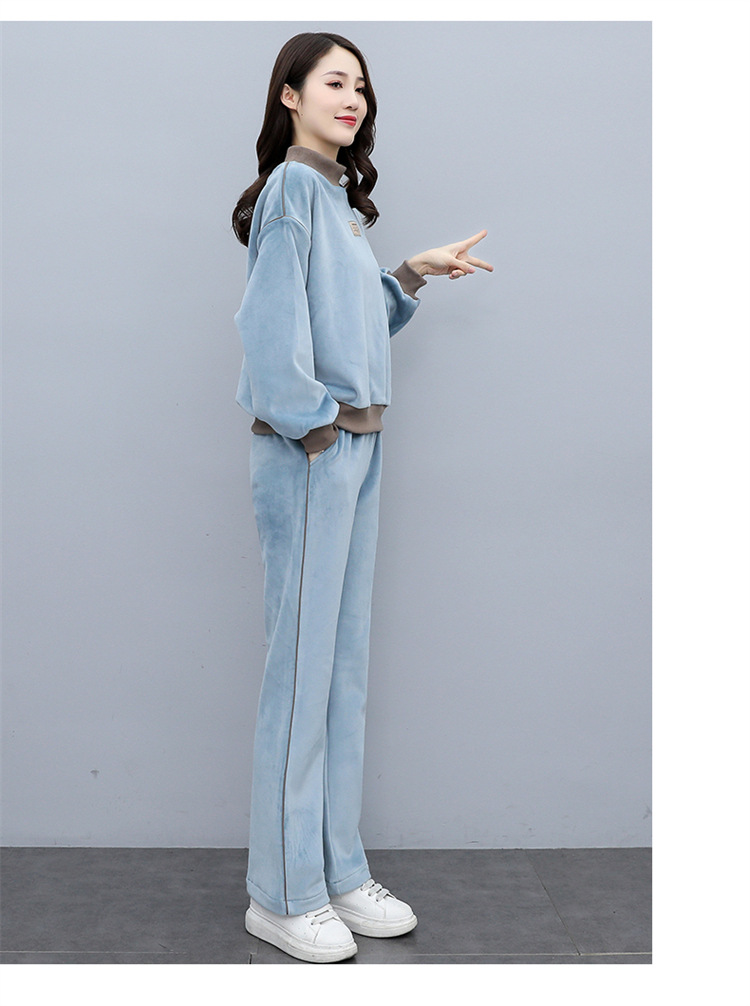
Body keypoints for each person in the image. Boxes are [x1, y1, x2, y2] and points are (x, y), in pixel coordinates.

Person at [231, 31, 493, 964]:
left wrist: (411, 271)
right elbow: (270, 333)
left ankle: (337, 870)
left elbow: (352, 321)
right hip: (315, 452)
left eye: (363, 87)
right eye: (335, 82)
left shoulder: (339, 201)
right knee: (302, 675)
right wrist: (315, 430)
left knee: (340, 673)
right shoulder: (291, 190)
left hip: (357, 447)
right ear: (291, 95)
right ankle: (281, 893)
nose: (354, 98)